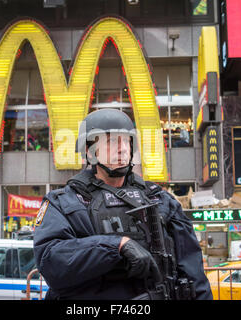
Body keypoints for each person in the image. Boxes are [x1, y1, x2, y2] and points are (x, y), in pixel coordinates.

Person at [33, 108, 212, 300]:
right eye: (111, 141)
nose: (122, 148)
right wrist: (116, 245)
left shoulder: (159, 199)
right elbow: (51, 260)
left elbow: (193, 274)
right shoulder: (64, 202)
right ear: (89, 151)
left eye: (126, 140)